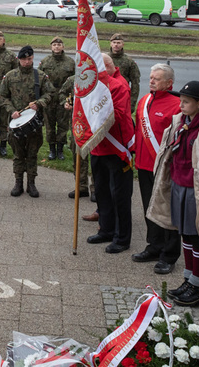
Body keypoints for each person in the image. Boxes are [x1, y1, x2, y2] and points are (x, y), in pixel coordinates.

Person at [146, 80, 199, 307]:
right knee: (184, 234)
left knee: (196, 237)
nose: (181, 105)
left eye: (186, 102)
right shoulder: (179, 122)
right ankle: (187, 279)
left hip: (196, 189)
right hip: (178, 185)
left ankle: (197, 284)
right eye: (181, 101)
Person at [130, 63, 181, 275]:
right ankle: (154, 246)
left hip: (164, 168)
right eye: (151, 77)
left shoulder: (177, 105)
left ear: (169, 83)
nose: (151, 81)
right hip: (143, 165)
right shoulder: (144, 101)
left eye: (157, 78)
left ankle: (169, 255)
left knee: (167, 212)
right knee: (149, 209)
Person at [86, 53, 135, 255]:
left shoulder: (118, 86)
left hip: (116, 149)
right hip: (98, 147)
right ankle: (106, 229)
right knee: (102, 192)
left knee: (119, 196)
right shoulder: (93, 86)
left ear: (105, 67)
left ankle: (122, 238)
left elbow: (118, 115)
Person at [0, 45, 56, 198]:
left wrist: (39, 103)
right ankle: (18, 183)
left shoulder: (40, 76)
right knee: (18, 154)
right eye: (24, 59)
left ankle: (31, 183)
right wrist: (12, 111)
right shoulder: (10, 76)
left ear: (32, 58)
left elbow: (50, 93)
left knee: (32, 154)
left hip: (34, 124)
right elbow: (2, 96)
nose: (26, 62)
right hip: (16, 122)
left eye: (29, 59)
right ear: (19, 59)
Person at [38, 36, 75, 161]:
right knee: (49, 125)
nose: (57, 47)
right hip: (49, 97)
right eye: (54, 45)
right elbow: (39, 80)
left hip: (64, 97)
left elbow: (75, 81)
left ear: (63, 47)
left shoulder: (70, 62)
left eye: (59, 45)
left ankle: (60, 149)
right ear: (51, 47)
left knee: (63, 125)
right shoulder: (45, 62)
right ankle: (52, 149)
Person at [109, 33, 140, 110]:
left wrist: (132, 103)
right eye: (114, 42)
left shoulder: (129, 61)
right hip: (106, 95)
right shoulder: (104, 59)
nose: (116, 45)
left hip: (122, 96)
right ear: (111, 44)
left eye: (118, 43)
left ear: (123, 44)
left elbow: (135, 83)